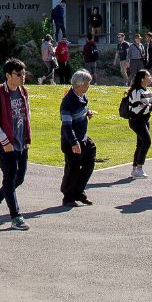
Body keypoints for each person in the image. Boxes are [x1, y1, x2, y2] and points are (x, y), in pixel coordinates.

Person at [0, 58, 31, 231]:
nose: (22, 77)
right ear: (8, 75)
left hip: (21, 143)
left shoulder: (23, 92)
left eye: (24, 74)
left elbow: (26, 116)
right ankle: (16, 217)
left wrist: (26, 139)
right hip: (5, 145)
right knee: (10, 180)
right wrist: (5, 141)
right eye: (19, 74)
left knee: (19, 178)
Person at [59, 68, 96, 206]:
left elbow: (81, 111)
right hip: (71, 141)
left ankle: (78, 191)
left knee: (89, 162)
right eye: (87, 84)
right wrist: (74, 143)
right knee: (73, 168)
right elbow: (67, 125)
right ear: (80, 85)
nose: (89, 86)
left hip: (83, 138)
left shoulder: (82, 97)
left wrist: (87, 113)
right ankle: (68, 196)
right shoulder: (68, 102)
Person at [127, 68, 152, 178]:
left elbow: (151, 103)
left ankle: (135, 168)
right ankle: (139, 167)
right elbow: (136, 109)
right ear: (142, 79)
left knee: (140, 144)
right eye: (148, 76)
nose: (150, 78)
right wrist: (150, 107)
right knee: (147, 141)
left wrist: (151, 106)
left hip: (146, 119)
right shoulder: (136, 91)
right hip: (136, 120)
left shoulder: (148, 90)